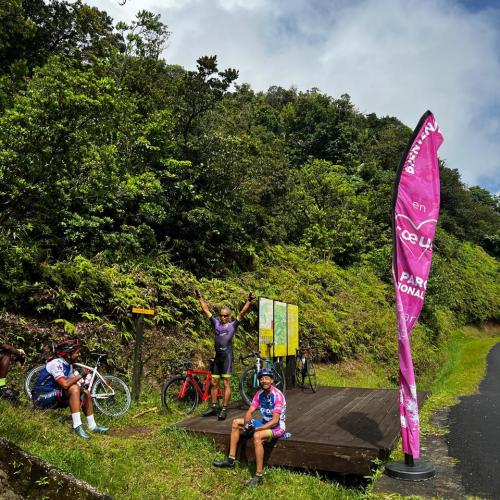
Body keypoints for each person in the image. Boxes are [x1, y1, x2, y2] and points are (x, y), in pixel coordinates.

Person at [212, 368, 287, 487]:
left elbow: (274, 421)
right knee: (236, 422)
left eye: (267, 378)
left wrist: (256, 429)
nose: (264, 381)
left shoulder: (277, 396)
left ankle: (259, 476)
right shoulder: (259, 394)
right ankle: (231, 460)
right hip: (264, 423)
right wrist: (247, 425)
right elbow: (249, 412)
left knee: (257, 436)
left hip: (277, 427)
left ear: (272, 380)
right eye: (261, 379)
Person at [196, 290, 256, 420]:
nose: (222, 317)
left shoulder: (233, 325)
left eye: (225, 316)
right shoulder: (216, 323)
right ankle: (213, 406)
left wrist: (249, 300)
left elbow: (242, 312)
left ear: (229, 316)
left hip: (227, 357)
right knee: (213, 382)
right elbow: (206, 310)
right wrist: (200, 297)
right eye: (221, 315)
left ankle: (224, 408)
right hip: (218, 357)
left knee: (226, 383)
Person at [32, 339, 109, 439]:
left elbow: (75, 384)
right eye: (77, 352)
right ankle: (77, 426)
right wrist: (82, 374)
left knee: (85, 392)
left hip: (55, 395)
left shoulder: (69, 366)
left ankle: (92, 426)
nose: (79, 354)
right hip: (41, 397)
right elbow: (65, 385)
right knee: (74, 389)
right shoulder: (56, 363)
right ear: (68, 355)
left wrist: (84, 390)